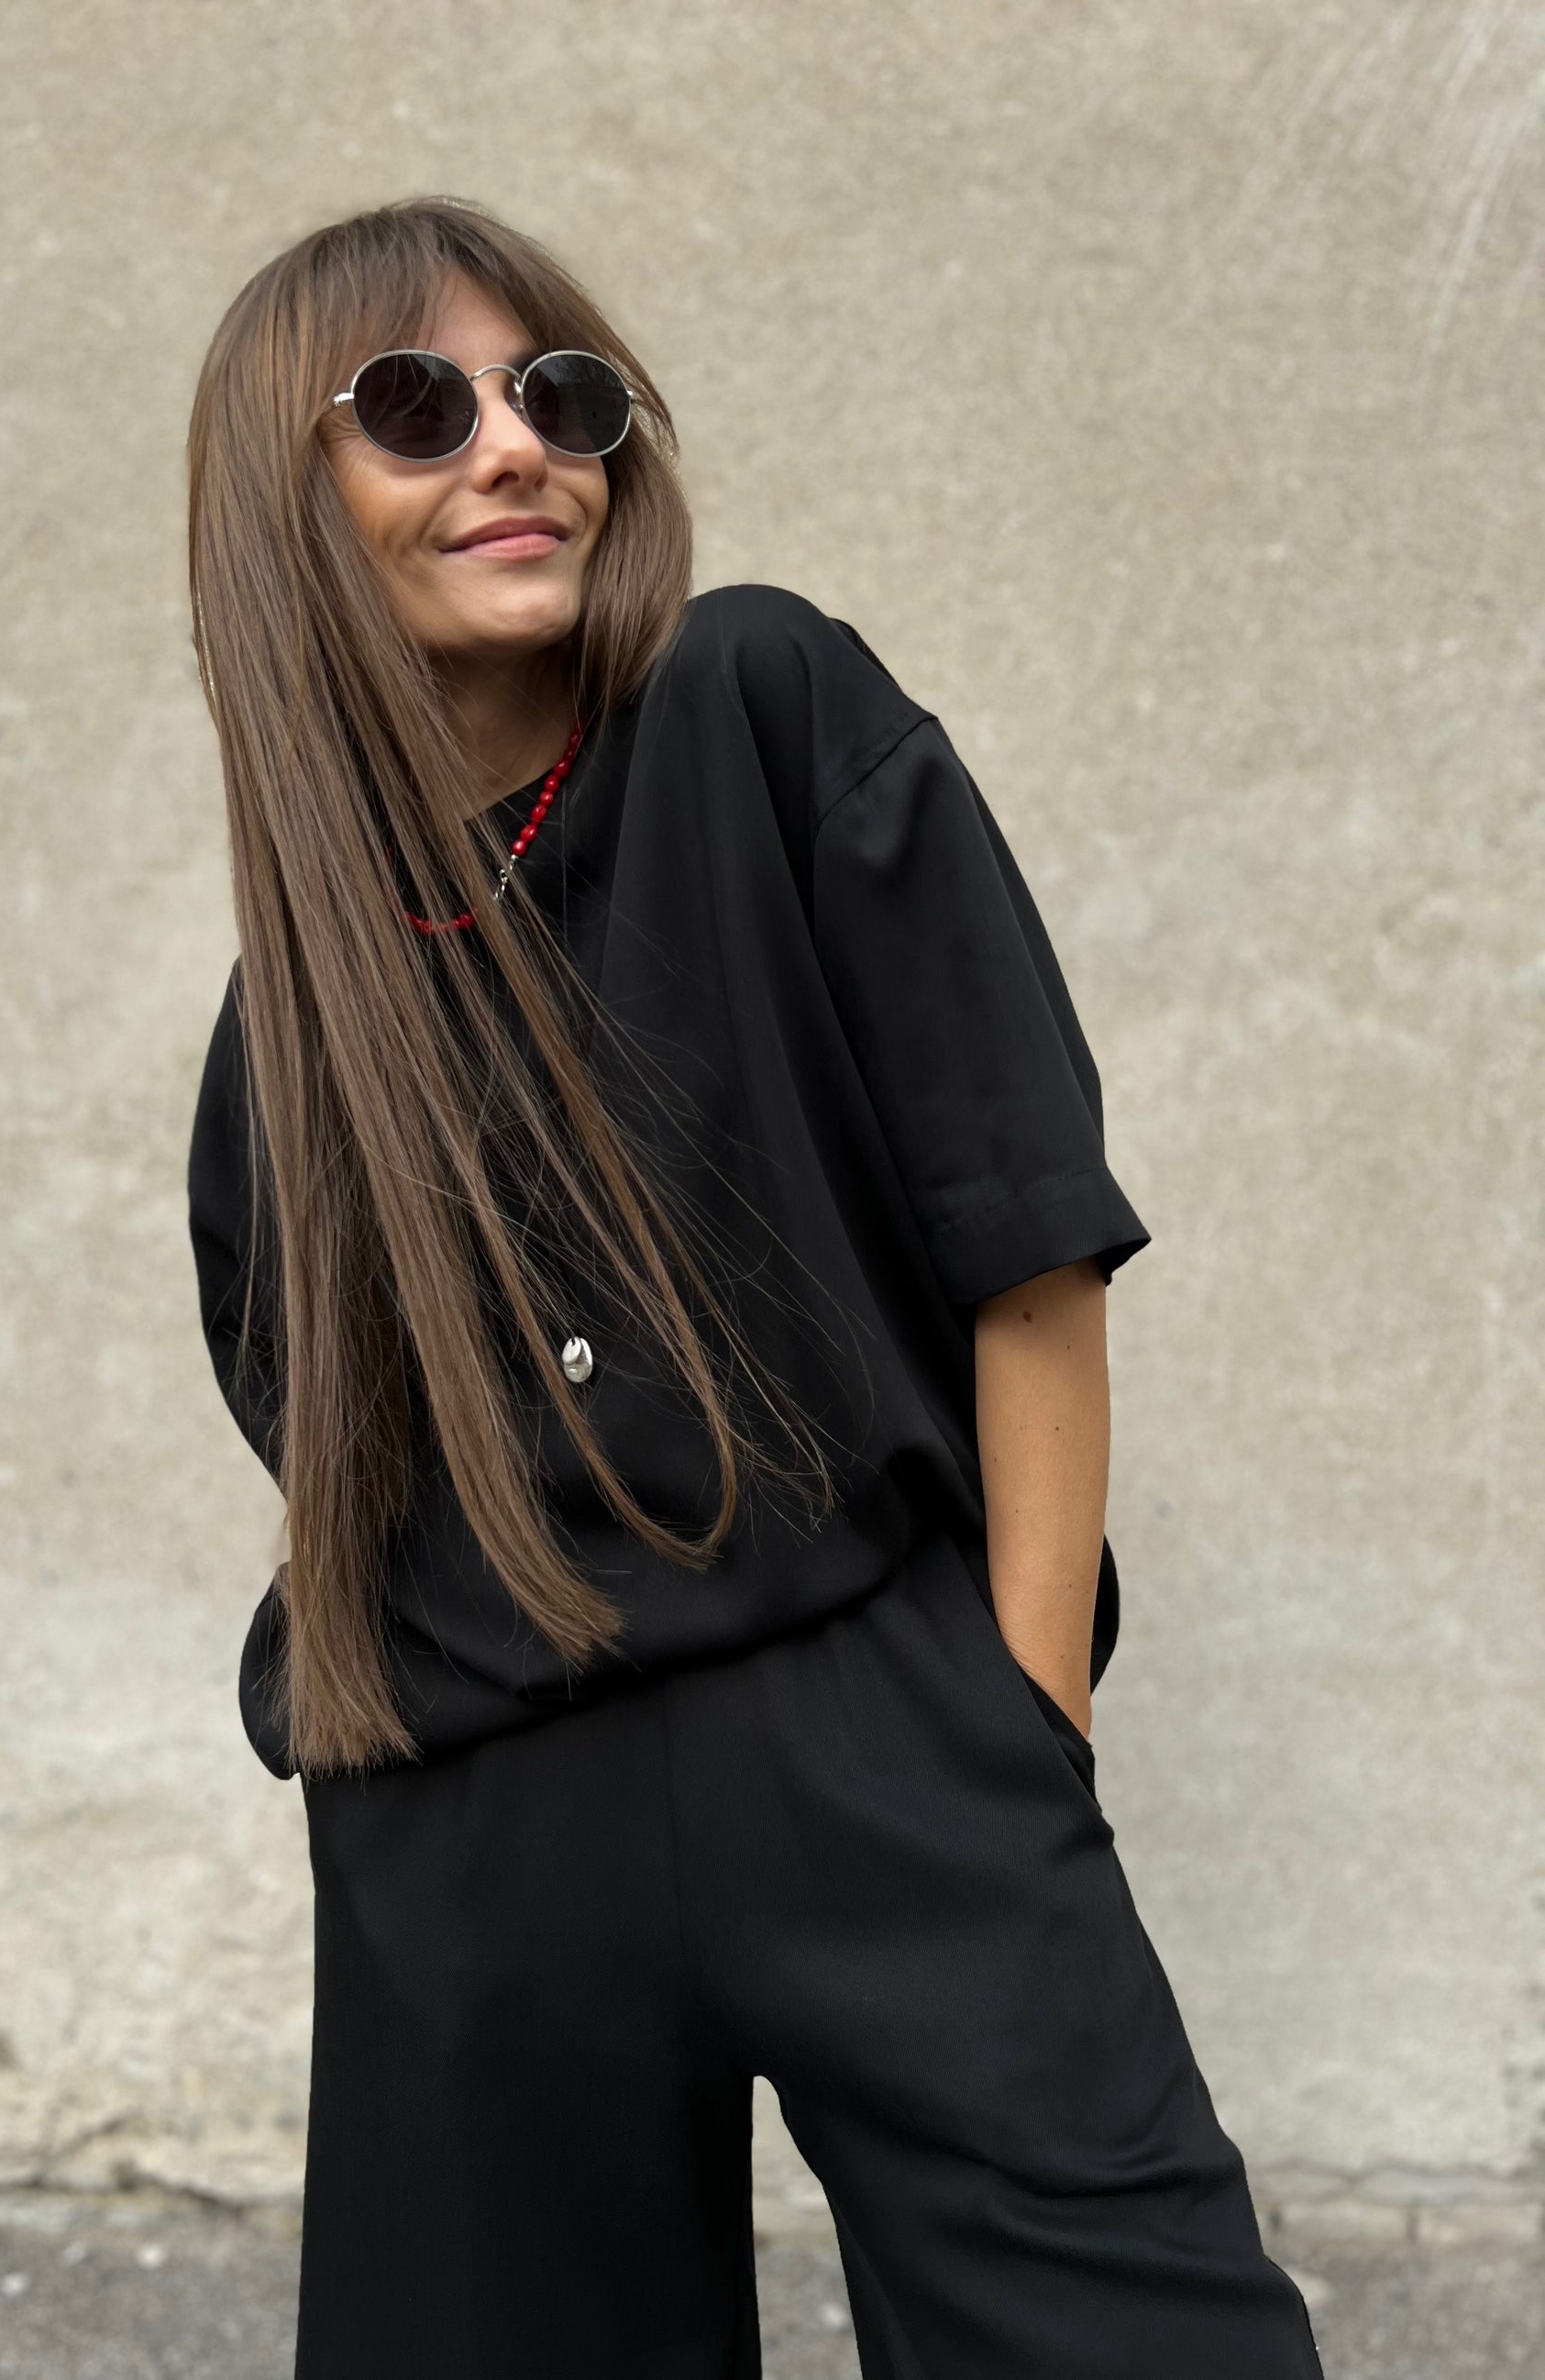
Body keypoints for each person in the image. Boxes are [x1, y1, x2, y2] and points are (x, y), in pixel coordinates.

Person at [183, 195, 1325, 2379]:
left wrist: (1019, 1733)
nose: (513, 446)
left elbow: (1027, 1245)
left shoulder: (762, 701)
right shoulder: (292, 1024)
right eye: (414, 405)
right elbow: (325, 1440)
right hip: (479, 1810)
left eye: (559, 395)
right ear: (285, 500)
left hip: (879, 1733)